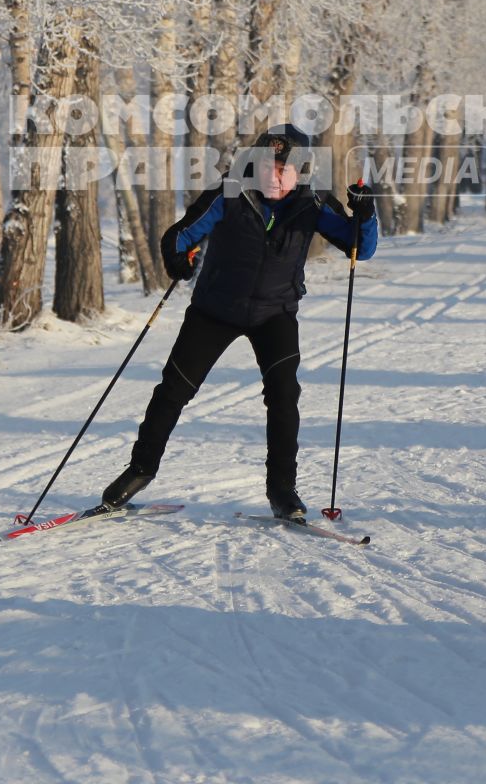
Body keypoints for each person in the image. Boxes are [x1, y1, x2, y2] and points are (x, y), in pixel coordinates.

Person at [100, 124, 378, 520]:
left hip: (275, 313)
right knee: (174, 389)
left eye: (284, 168)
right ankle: (140, 470)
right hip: (215, 309)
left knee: (284, 396)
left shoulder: (313, 202)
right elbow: (180, 234)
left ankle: (282, 489)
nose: (275, 175)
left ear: (300, 171)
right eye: (268, 165)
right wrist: (177, 258)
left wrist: (365, 213)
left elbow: (359, 248)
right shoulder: (230, 192)